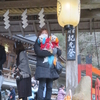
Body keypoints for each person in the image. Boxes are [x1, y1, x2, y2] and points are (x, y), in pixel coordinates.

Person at [34, 28, 61, 100]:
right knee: (42, 86)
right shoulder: (38, 42)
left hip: (51, 68)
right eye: (43, 33)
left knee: (49, 87)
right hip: (42, 67)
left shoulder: (51, 42)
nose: (45, 34)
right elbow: (39, 52)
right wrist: (51, 52)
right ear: (40, 34)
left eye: (46, 33)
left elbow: (59, 53)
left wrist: (57, 50)